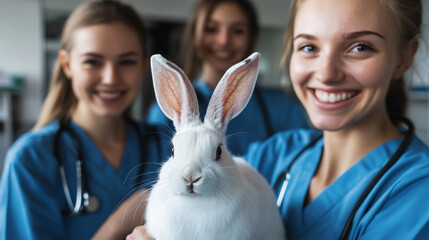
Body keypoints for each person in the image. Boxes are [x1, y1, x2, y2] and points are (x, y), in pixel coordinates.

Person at [244, 0, 429, 239]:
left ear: (404, 58)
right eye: (309, 47)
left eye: (360, 47)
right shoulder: (272, 157)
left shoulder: (418, 191)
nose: (326, 74)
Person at [0, 1, 168, 239]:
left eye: (127, 61)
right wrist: (116, 225)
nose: (110, 78)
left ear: (143, 65)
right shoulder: (30, 160)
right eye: (93, 62)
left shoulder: (166, 146)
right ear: (67, 65)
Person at [146, 0, 309, 156]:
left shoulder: (283, 108)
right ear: (194, 34)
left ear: (251, 37)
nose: (224, 40)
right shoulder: (167, 112)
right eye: (211, 29)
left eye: (237, 31)